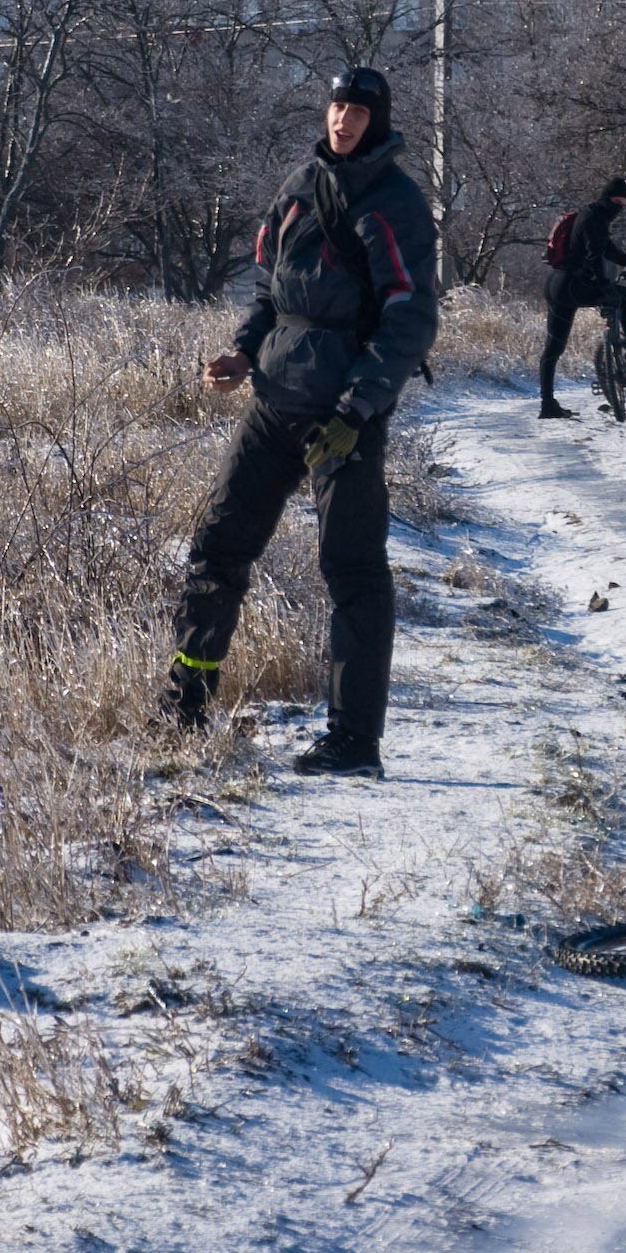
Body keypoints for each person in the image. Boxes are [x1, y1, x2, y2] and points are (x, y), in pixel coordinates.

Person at [163, 67, 441, 777]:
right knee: (217, 548)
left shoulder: (396, 202)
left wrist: (358, 409)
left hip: (342, 413)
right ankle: (186, 701)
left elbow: (411, 318)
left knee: (351, 571)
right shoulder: (297, 185)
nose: (343, 120)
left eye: (358, 111)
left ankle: (354, 741)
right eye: (337, 106)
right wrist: (241, 350)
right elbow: (271, 288)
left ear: (378, 121)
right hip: (272, 401)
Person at [536, 178, 626, 420]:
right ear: (606, 198)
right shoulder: (596, 218)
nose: (619, 207)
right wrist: (602, 284)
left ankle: (547, 404)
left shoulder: (589, 216)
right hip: (574, 285)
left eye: (623, 203)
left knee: (553, 347)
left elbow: (606, 248)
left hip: (557, 284)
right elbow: (594, 253)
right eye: (616, 201)